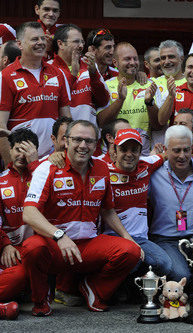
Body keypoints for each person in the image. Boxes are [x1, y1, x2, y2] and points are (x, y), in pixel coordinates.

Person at [22, 120, 142, 316]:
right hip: (55, 247)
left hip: (87, 247)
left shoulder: (102, 168)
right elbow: (29, 213)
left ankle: (93, 289)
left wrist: (128, 238)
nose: (83, 146)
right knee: (32, 247)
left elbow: (108, 211)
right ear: (66, 141)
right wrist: (59, 236)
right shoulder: (47, 168)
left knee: (130, 251)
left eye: (89, 141)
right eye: (77, 139)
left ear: (96, 145)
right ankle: (41, 299)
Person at [149, 125, 193, 288]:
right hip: (165, 238)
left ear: (192, 148)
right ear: (166, 149)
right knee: (182, 275)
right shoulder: (153, 173)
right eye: (176, 150)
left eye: (187, 150)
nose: (182, 156)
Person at [104, 128, 173, 279]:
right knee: (130, 260)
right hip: (112, 238)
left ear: (141, 151)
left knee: (164, 265)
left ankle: (133, 290)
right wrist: (56, 156)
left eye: (134, 150)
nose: (129, 154)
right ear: (114, 151)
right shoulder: (102, 170)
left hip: (141, 239)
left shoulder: (146, 165)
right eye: (123, 149)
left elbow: (169, 154)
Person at [0, 21, 71, 162]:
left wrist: (64, 153)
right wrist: (11, 165)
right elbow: (1, 127)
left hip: (54, 158)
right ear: (20, 44)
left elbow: (67, 121)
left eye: (42, 38)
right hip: (20, 159)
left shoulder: (59, 74)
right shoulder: (5, 76)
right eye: (34, 39)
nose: (41, 43)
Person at [97, 42, 160, 155]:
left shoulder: (150, 85)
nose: (132, 63)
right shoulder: (106, 86)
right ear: (115, 62)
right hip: (112, 156)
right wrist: (120, 100)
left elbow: (158, 125)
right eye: (127, 59)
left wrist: (149, 102)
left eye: (135, 59)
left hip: (142, 155)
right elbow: (101, 123)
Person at [0, 129, 39, 305]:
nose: (22, 155)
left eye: (27, 150)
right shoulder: (0, 181)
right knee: (17, 277)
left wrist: (36, 165)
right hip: (7, 250)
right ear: (9, 150)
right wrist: (6, 245)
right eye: (17, 149)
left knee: (20, 276)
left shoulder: (44, 176)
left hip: (38, 249)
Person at [49, 24, 109, 125]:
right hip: (61, 135)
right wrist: (73, 74)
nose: (81, 46)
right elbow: (52, 102)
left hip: (88, 135)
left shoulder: (89, 65)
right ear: (60, 44)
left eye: (82, 42)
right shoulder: (48, 68)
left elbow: (103, 101)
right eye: (76, 42)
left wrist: (94, 74)